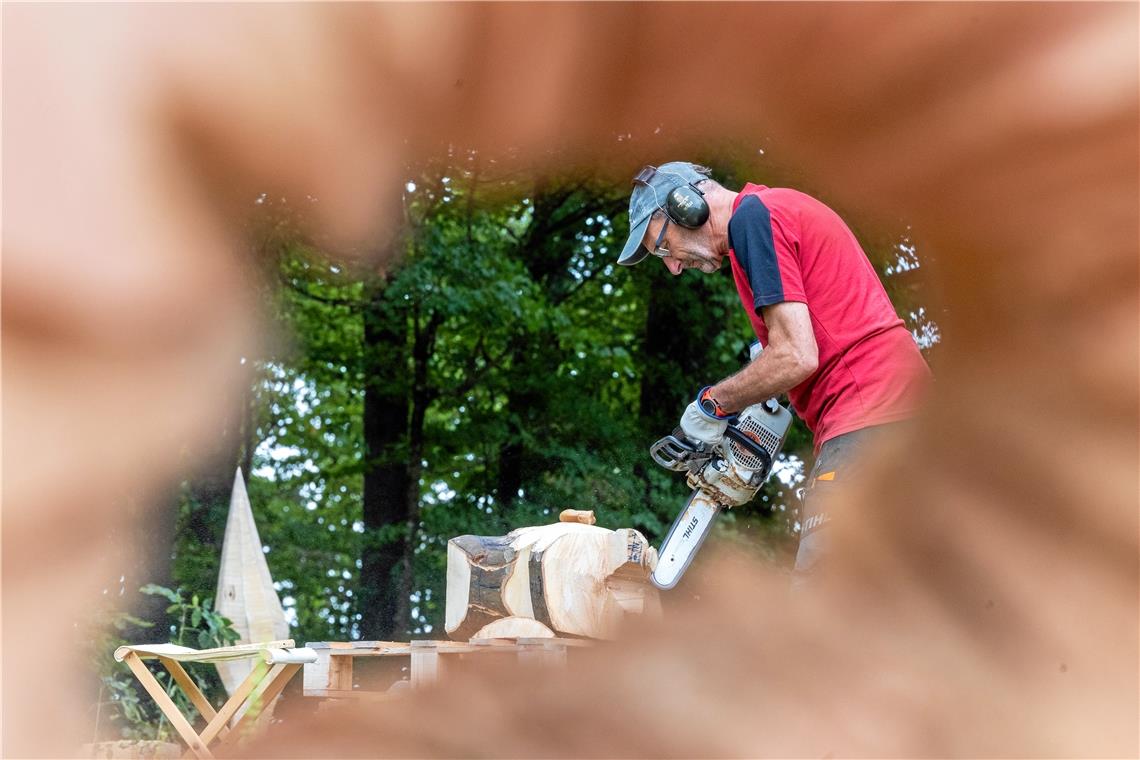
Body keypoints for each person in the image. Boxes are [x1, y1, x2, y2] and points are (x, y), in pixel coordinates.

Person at [618, 162, 931, 577]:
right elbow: (798, 351)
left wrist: (713, 406)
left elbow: (795, 355)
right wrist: (749, 436)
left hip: (871, 416)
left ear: (687, 206)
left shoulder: (754, 216)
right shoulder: (773, 214)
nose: (672, 266)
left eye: (662, 245)